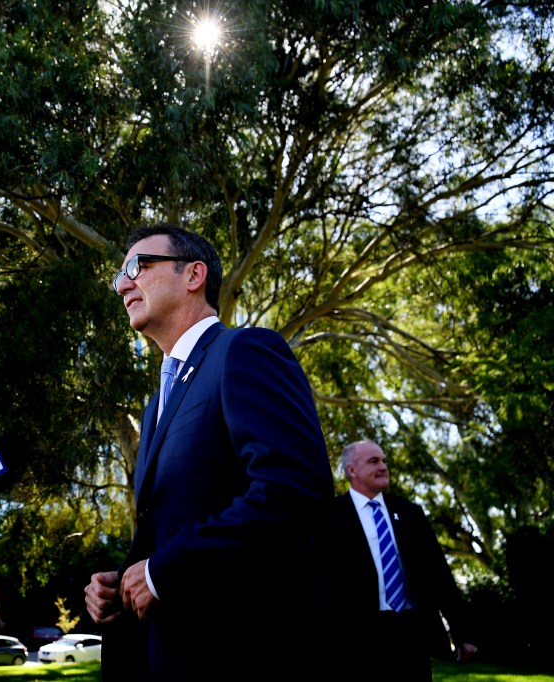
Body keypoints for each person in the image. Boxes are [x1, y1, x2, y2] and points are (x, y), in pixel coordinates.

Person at [84, 223, 335, 680]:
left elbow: (294, 489)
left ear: (193, 275)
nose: (122, 283)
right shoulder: (155, 404)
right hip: (171, 655)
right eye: (119, 275)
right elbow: (173, 521)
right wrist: (123, 584)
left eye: (137, 266)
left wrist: (162, 572)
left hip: (242, 655)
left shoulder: (245, 352)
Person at [317, 439, 478, 680]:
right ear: (352, 470)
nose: (383, 466)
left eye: (384, 460)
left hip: (411, 632)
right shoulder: (330, 517)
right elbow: (321, 581)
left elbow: (439, 574)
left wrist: (462, 632)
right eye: (374, 461)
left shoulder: (410, 512)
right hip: (358, 637)